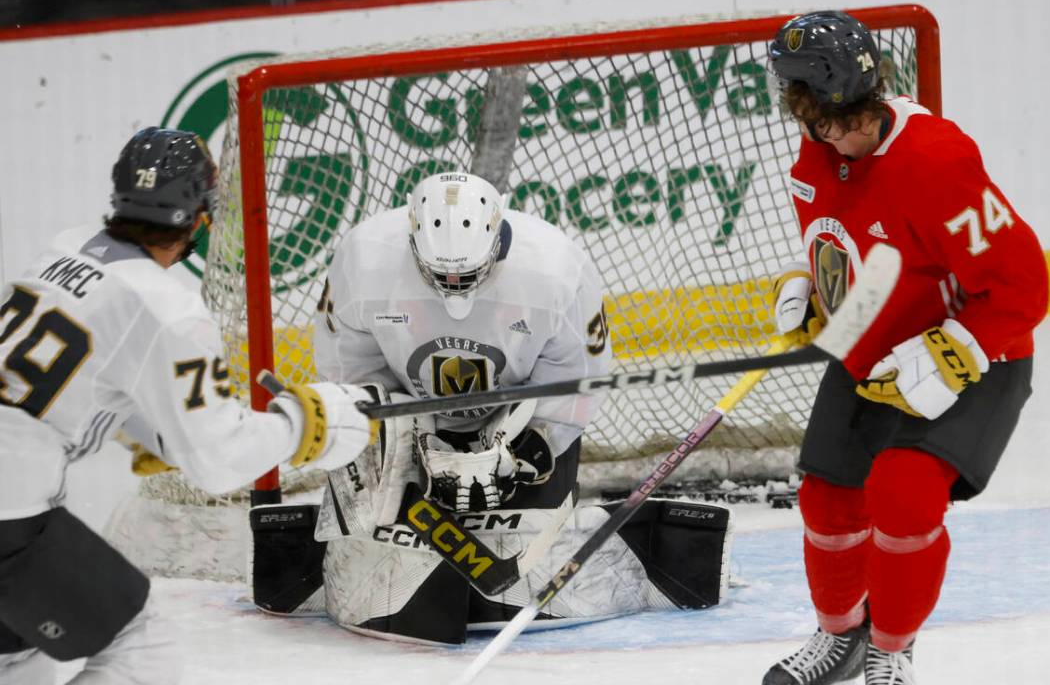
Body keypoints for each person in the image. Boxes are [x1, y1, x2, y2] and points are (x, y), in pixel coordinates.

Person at [0, 127, 373, 685]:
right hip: (10, 518)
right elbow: (219, 457)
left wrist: (148, 429)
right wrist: (312, 422)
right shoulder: (168, 307)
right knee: (143, 653)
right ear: (201, 218)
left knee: (18, 661)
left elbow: (74, 382)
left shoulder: (62, 251)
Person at [249, 170, 733, 645]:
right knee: (379, 592)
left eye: (467, 273)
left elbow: (578, 379)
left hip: (517, 424)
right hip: (405, 424)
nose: (454, 285)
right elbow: (349, 375)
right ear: (411, 240)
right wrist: (403, 442)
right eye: (441, 274)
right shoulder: (363, 258)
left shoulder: (555, 267)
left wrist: (535, 445)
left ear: (498, 239)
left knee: (523, 570)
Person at [758, 11, 1048, 685]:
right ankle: (840, 639)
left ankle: (892, 648)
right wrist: (807, 285)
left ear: (872, 97)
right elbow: (848, 245)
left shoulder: (937, 160)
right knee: (827, 500)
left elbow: (1022, 288)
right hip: (872, 348)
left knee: (903, 495)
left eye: (853, 121)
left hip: (980, 351)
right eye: (827, 124)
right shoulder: (815, 152)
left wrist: (953, 352)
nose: (843, 137)